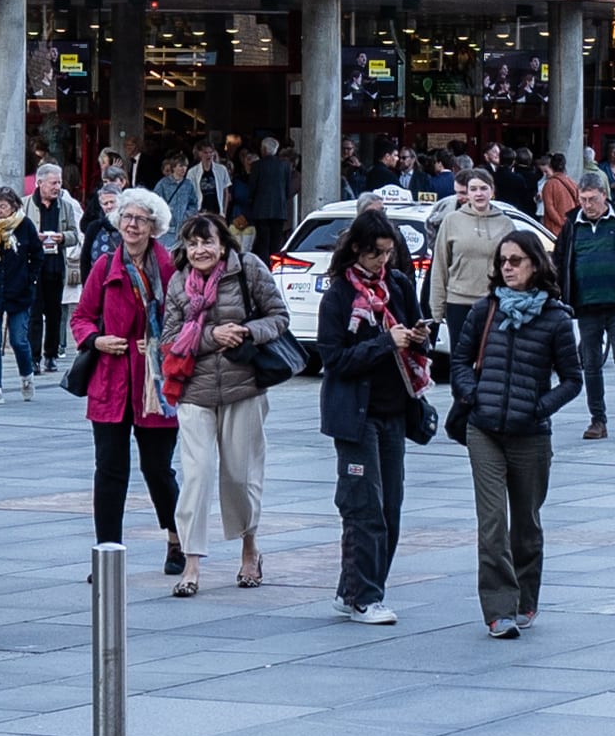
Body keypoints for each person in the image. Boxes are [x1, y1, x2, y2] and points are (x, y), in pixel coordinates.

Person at [454, 230, 582, 637]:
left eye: (516, 261)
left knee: (525, 523)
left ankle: (526, 599)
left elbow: (573, 379)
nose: (507, 268)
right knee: (492, 523)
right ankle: (498, 610)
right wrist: (471, 395)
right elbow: (458, 360)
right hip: (484, 429)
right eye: (503, 261)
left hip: (531, 435)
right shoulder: (484, 310)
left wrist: (539, 407)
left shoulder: (556, 319)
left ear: (535, 265)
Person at [156, 213, 290, 596]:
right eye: (193, 244)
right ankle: (192, 562)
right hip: (194, 390)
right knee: (196, 476)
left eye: (207, 242)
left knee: (239, 475)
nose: (200, 251)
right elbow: (168, 336)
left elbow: (279, 317)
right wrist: (213, 334)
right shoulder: (180, 282)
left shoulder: (247, 269)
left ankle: (250, 548)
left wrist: (247, 331)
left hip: (243, 386)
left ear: (223, 243)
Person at [316, 206, 432, 625]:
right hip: (354, 415)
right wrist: (386, 342)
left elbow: (418, 333)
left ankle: (353, 590)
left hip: (394, 409)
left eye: (387, 253)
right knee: (363, 506)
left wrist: (419, 335)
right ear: (355, 252)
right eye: (374, 254)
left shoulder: (398, 284)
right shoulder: (339, 296)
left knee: (391, 508)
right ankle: (366, 596)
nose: (382, 261)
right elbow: (335, 359)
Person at [72, 187, 186, 573]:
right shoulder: (105, 266)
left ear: (155, 227)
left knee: (157, 469)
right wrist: (95, 339)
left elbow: (186, 320)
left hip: (155, 386)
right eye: (127, 217)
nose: (132, 224)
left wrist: (159, 345)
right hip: (110, 384)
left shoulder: (169, 269)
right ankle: (107, 554)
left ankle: (176, 539)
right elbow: (81, 316)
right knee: (109, 470)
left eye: (141, 219)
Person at [556, 177, 615, 442]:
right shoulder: (572, 226)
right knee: (590, 364)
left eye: (592, 199)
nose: (587, 205)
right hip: (586, 306)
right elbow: (560, 262)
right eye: (583, 199)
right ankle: (597, 420)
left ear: (604, 196)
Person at [428, 167, 519, 352]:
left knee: (491, 360)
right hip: (458, 303)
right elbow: (440, 266)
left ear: (492, 191)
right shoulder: (451, 221)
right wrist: (437, 309)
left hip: (494, 302)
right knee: (461, 362)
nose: (479, 193)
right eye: (474, 189)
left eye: (483, 188)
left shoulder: (506, 224)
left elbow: (514, 266)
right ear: (467, 193)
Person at [0, 185, 44, 401]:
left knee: (18, 340)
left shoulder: (24, 225)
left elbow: (37, 254)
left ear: (13, 206)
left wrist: (30, 279)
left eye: (3, 206)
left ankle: (27, 376)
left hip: (19, 291)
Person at [28, 160, 82, 372]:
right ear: (40, 183)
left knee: (54, 313)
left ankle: (51, 354)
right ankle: (34, 357)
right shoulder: (27, 205)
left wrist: (62, 237)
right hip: (34, 265)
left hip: (55, 265)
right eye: (53, 183)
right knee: (34, 312)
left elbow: (74, 235)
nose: (57, 187)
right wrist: (35, 238)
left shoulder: (66, 206)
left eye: (59, 183)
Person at [242, 134, 297, 253]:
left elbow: (252, 189)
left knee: (263, 243)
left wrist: (251, 204)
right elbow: (288, 190)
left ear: (264, 150)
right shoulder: (285, 166)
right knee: (276, 243)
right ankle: (274, 266)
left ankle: (265, 266)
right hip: (279, 211)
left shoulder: (257, 166)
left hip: (261, 211)